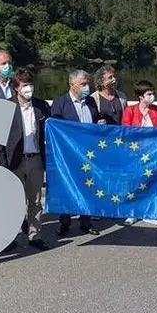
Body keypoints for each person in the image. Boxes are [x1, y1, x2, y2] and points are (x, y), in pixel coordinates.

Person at [0, 67, 50, 250]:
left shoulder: (42, 106)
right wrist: (4, 164)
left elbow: (51, 132)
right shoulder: (6, 107)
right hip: (14, 161)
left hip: (35, 159)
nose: (29, 89)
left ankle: (34, 235)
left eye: (30, 84)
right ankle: (10, 237)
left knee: (35, 201)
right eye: (25, 85)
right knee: (13, 202)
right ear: (16, 87)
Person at [50, 69, 101, 236]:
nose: (87, 87)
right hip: (69, 155)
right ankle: (64, 223)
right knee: (67, 187)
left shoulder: (91, 101)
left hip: (89, 153)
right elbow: (55, 130)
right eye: (83, 84)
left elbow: (95, 121)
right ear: (73, 85)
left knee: (88, 186)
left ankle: (86, 221)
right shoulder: (60, 103)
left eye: (88, 83)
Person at [120, 80, 157, 226]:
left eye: (152, 93)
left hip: (152, 153)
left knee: (151, 181)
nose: (152, 96)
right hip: (134, 154)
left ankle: (149, 212)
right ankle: (132, 213)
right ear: (140, 96)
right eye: (149, 94)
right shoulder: (130, 111)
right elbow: (125, 131)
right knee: (133, 182)